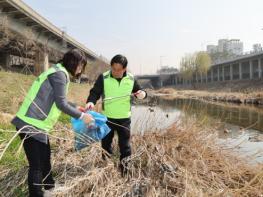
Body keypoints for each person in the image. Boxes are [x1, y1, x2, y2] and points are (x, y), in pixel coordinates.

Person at [11, 49, 94, 197]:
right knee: (36, 165)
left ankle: (50, 188)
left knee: (45, 158)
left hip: (37, 124)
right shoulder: (59, 74)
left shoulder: (58, 71)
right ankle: (36, 194)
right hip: (31, 124)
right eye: (80, 65)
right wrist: (82, 116)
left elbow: (58, 99)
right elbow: (61, 104)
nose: (81, 69)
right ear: (73, 63)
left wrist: (76, 107)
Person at [85, 54, 146, 176]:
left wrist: (142, 94)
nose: (115, 72)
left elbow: (141, 92)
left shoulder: (131, 79)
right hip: (107, 118)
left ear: (124, 69)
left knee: (125, 147)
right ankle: (106, 171)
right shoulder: (104, 77)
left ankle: (125, 172)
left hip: (124, 120)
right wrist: (90, 102)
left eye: (119, 70)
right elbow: (95, 92)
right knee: (106, 145)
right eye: (113, 69)